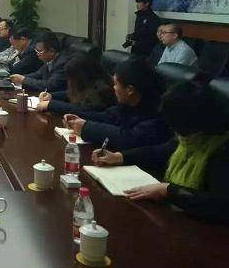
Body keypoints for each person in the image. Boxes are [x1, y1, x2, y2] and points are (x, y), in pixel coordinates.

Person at [92, 80, 229, 224]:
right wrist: (119, 157)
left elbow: (219, 205)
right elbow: (160, 151)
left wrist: (167, 190)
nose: (176, 134)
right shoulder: (193, 137)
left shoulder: (222, 150)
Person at [63, 58, 172, 150]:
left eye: (116, 84)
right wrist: (77, 119)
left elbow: (129, 138)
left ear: (130, 90)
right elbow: (107, 116)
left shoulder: (158, 112)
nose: (113, 87)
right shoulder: (128, 104)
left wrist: (85, 127)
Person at [36, 53, 115, 113]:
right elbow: (75, 93)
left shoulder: (103, 88)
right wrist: (51, 96)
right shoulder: (90, 81)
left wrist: (50, 105)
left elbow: (84, 110)